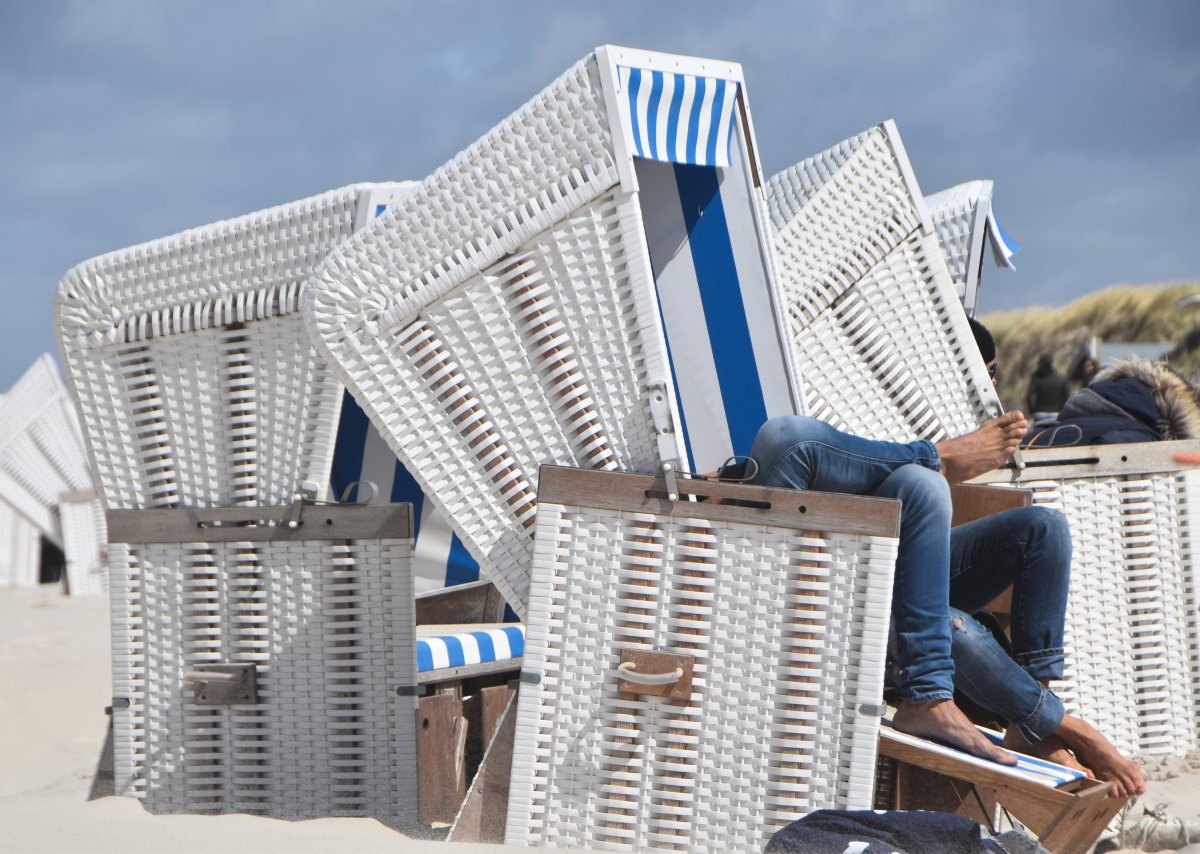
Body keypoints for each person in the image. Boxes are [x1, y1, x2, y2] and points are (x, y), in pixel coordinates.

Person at [1025, 357, 1200, 446]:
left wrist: (1033, 410)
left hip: (1042, 426)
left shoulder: (1112, 395)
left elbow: (1030, 395)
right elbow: (1109, 446)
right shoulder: (1145, 435)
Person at [1026, 354, 1070, 421]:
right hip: (1056, 415)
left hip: (1039, 415)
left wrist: (1033, 411)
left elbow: (1029, 397)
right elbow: (1067, 398)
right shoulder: (1061, 379)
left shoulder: (1036, 378)